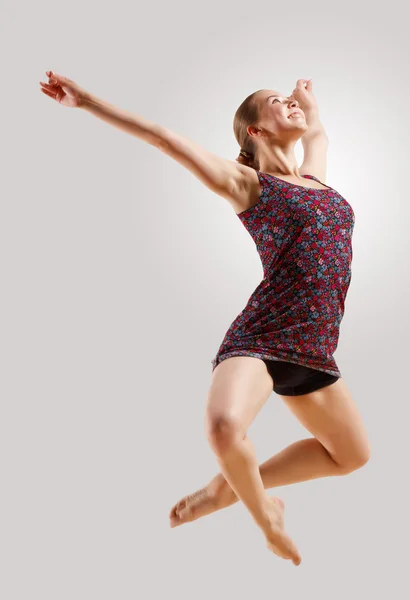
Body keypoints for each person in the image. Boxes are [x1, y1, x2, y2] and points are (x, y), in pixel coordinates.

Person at [39, 72, 371, 566]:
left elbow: (319, 134)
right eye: (277, 103)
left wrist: (308, 105)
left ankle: (225, 489)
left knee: (351, 456)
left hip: (314, 346)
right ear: (255, 132)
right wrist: (87, 101)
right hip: (261, 336)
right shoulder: (247, 183)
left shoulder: (315, 178)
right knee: (223, 427)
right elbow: (162, 138)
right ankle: (265, 518)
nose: (291, 106)